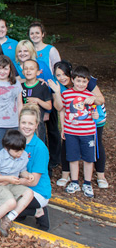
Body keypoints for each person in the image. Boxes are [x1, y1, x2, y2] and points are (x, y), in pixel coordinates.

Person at [0, 104, 52, 232]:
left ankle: (38, 210)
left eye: (31, 123)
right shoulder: (15, 141)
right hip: (14, 183)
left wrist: (7, 180)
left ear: (36, 125)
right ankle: (20, 213)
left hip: (36, 190)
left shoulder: (40, 148)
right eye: (23, 122)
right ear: (19, 123)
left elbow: (34, 181)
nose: (27, 126)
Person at [48, 61, 108, 189]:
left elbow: (100, 99)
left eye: (64, 74)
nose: (61, 78)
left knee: (96, 144)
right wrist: (63, 128)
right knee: (68, 145)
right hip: (73, 122)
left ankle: (100, 176)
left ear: (71, 74)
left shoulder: (85, 79)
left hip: (94, 117)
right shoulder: (57, 85)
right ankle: (67, 175)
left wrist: (93, 100)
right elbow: (61, 108)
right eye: (58, 75)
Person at [59, 66, 99, 198]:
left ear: (88, 82)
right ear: (73, 80)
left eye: (84, 81)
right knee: (73, 157)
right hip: (71, 132)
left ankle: (87, 183)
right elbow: (63, 111)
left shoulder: (90, 96)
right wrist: (63, 129)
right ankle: (74, 182)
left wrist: (94, 112)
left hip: (88, 132)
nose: (81, 84)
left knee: (88, 159)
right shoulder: (66, 94)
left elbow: (95, 115)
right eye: (78, 81)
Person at [28, 21, 62, 169]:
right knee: (39, 128)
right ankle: (43, 158)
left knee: (52, 128)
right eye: (32, 33)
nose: (34, 35)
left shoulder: (51, 50)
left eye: (37, 32)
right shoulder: (29, 52)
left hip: (50, 94)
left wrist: (56, 92)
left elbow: (58, 72)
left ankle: (55, 158)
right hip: (36, 94)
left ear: (42, 34)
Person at [20, 59, 52, 142]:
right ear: (23, 72)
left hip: (38, 125)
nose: (28, 71)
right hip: (23, 124)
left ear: (38, 72)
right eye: (26, 69)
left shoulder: (42, 86)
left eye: (31, 69)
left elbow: (49, 106)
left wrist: (38, 100)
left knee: (38, 144)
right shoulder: (20, 87)